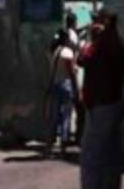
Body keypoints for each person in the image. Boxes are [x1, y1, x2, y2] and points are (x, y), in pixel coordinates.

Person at [78, 9, 124, 189]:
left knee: (91, 156)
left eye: (96, 20)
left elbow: (82, 59)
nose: (93, 23)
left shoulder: (102, 44)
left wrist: (91, 39)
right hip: (115, 102)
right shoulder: (117, 43)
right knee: (111, 154)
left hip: (101, 106)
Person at [47, 28, 80, 156]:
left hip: (55, 85)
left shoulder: (55, 51)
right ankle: (63, 147)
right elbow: (71, 72)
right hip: (66, 85)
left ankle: (50, 145)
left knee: (54, 116)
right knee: (66, 116)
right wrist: (76, 88)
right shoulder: (67, 53)